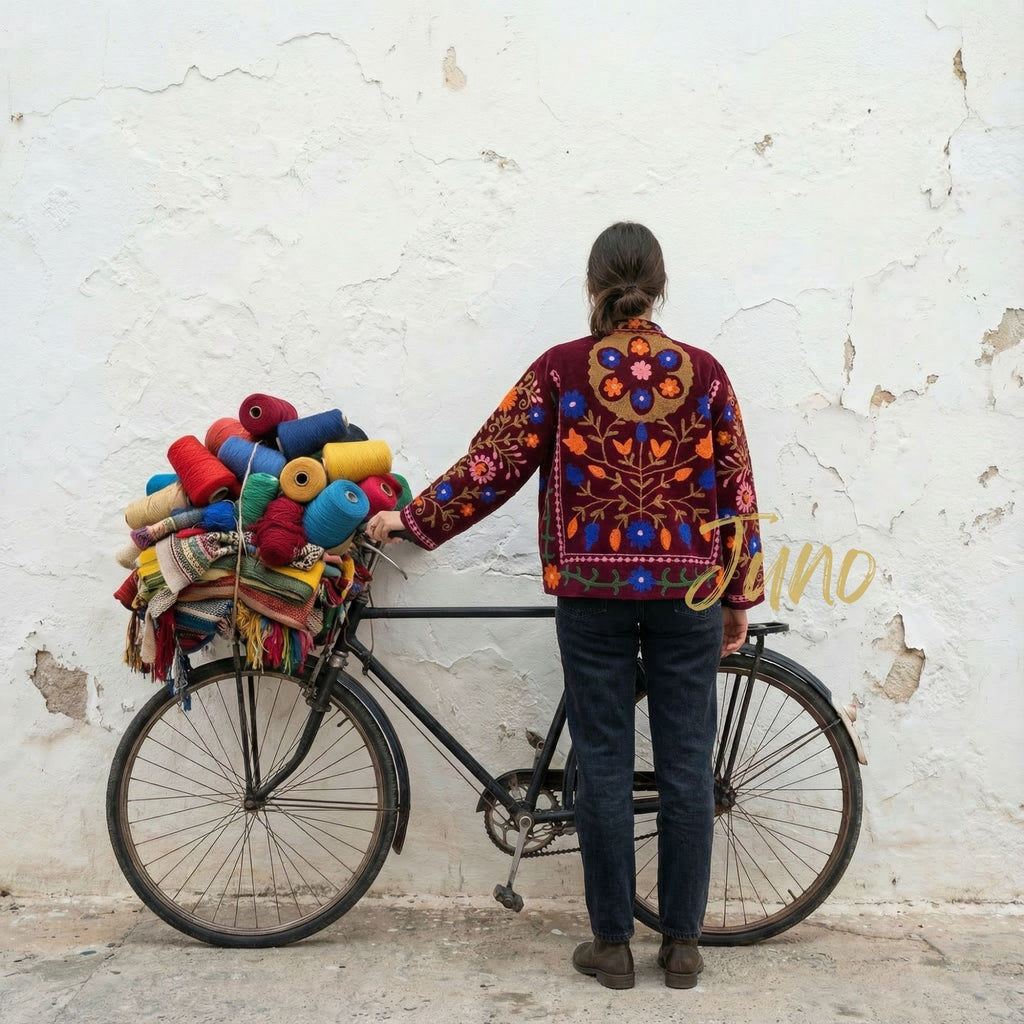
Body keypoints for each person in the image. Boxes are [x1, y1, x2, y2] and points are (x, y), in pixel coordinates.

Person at [367, 222, 765, 990]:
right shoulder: (707, 376)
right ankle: (682, 947)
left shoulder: (561, 372)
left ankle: (612, 947)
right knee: (688, 764)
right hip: (690, 592)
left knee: (606, 765)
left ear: (593, 289)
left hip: (593, 592)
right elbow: (737, 493)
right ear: (661, 285)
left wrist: (414, 521)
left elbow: (494, 464)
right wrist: (739, 592)